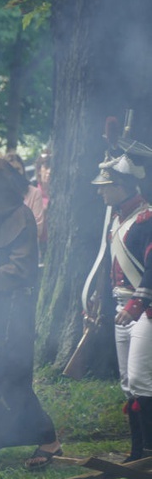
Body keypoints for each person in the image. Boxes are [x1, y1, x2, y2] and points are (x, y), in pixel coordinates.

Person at [0, 157, 61, 468]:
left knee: (12, 377)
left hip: (12, 312)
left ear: (1, 191)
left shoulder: (21, 216)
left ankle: (48, 438)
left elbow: (19, 270)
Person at [92, 150, 152, 462]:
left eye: (106, 184)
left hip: (144, 308)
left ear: (123, 185)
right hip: (121, 305)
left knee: (142, 379)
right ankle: (138, 450)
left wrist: (136, 303)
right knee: (128, 383)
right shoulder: (118, 219)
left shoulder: (147, 218)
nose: (100, 189)